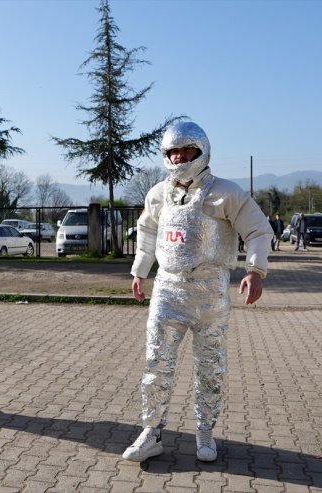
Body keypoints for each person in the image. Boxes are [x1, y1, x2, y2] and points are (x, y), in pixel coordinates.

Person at [122, 121, 271, 462]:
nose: (179, 157)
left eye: (187, 151)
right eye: (173, 152)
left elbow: (259, 230)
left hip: (210, 293)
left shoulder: (227, 192)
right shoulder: (159, 193)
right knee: (156, 362)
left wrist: (255, 270)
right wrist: (140, 271)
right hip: (168, 289)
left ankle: (205, 432)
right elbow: (146, 232)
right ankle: (151, 432)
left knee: (210, 366)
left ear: (202, 152)